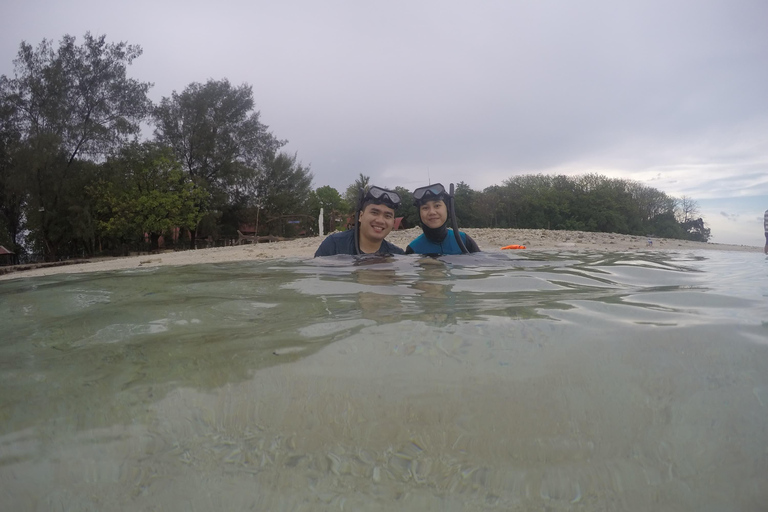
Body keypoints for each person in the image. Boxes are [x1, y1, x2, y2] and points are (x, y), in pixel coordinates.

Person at [314, 185, 406, 257]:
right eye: (374, 213)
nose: (380, 220)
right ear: (360, 216)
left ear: (393, 223)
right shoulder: (333, 245)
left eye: (387, 216)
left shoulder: (397, 255)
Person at [405, 183, 480, 255]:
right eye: (425, 208)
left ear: (447, 209)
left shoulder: (464, 240)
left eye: (437, 206)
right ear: (419, 214)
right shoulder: (413, 249)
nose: (432, 212)